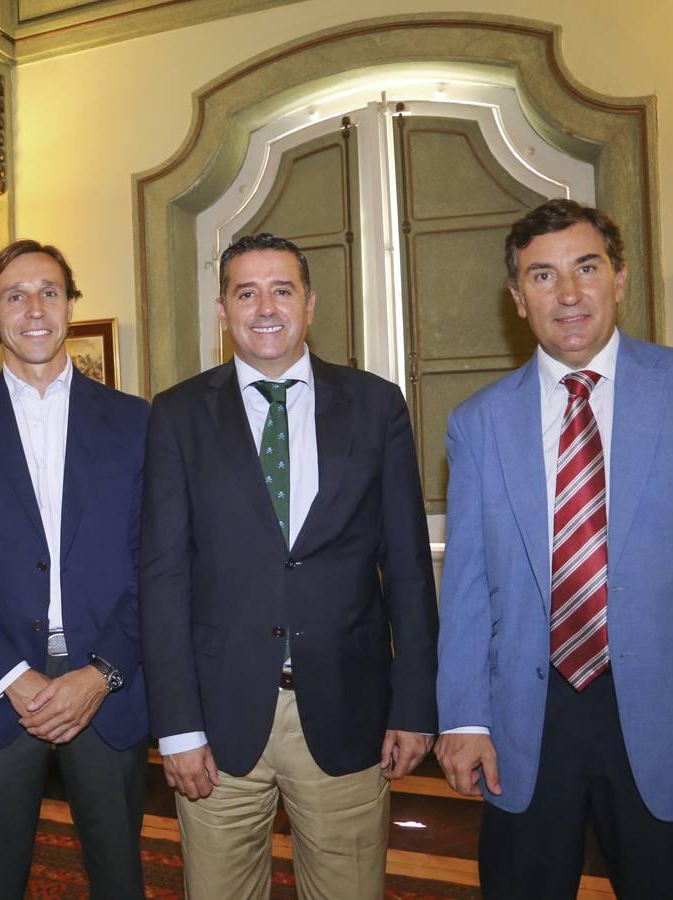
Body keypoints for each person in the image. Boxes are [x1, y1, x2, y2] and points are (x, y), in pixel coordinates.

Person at [436, 199, 673, 898]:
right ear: (518, 300)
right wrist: (462, 717)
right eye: (542, 277)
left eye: (586, 268)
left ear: (619, 278)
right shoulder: (476, 422)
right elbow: (465, 585)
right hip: (526, 720)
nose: (568, 293)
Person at [140, 233, 440, 899]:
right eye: (246, 292)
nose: (265, 307)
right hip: (218, 720)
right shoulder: (178, 415)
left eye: (282, 290)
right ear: (223, 311)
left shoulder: (376, 404)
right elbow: (162, 578)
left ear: (310, 303)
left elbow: (409, 568)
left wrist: (416, 704)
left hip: (349, 710)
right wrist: (178, 726)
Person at [0, 240, 149, 899]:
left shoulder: (135, 422)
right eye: (14, 296)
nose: (34, 308)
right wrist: (13, 677)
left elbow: (154, 566)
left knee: (119, 879)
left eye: (50, 291)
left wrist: (100, 674)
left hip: (108, 689)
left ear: (72, 305)